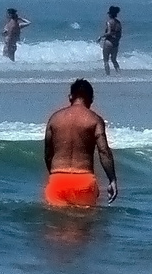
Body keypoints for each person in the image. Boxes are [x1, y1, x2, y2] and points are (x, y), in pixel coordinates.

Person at [43, 78, 118, 207]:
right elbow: (103, 151)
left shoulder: (54, 119)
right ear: (91, 99)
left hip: (58, 181)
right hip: (84, 181)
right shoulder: (94, 120)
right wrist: (112, 179)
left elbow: (48, 153)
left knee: (55, 225)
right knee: (83, 225)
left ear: (70, 97)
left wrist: (55, 176)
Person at [99, 5, 123, 75]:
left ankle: (108, 75)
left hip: (108, 42)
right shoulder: (118, 23)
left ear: (110, 14)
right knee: (114, 60)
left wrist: (101, 36)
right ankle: (119, 74)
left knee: (106, 60)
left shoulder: (109, 22)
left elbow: (109, 32)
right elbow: (119, 34)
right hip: (115, 43)